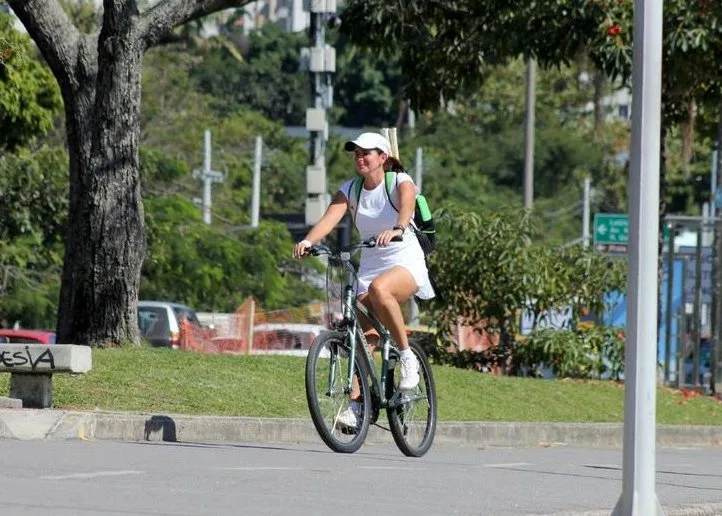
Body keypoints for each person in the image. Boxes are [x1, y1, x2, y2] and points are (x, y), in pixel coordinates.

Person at [293, 132, 435, 429]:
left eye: (366, 153)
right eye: (356, 153)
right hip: (370, 263)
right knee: (361, 337)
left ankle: (408, 358)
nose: (360, 158)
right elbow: (330, 218)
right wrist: (308, 241)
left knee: (380, 290)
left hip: (404, 259)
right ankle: (358, 406)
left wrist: (398, 227)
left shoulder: (399, 182)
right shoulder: (351, 189)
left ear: (382, 158)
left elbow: (407, 205)